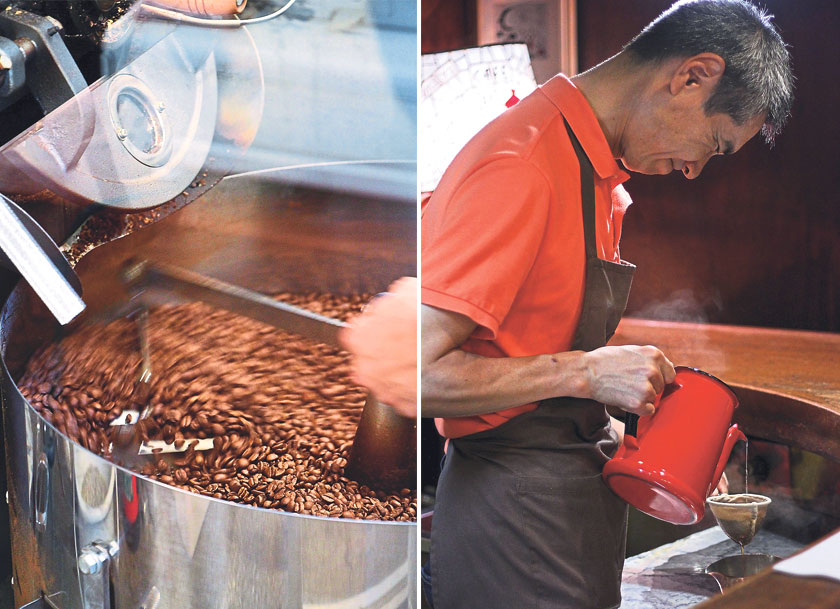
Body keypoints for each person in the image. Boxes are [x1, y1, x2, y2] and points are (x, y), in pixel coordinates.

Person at [420, 1, 793, 608]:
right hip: (512, 520)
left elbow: (529, 343)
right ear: (691, 75)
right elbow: (412, 373)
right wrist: (590, 371)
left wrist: (635, 409)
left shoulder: (591, 170)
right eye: (716, 145)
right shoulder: (521, 165)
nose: (697, 170)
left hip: (566, 508)